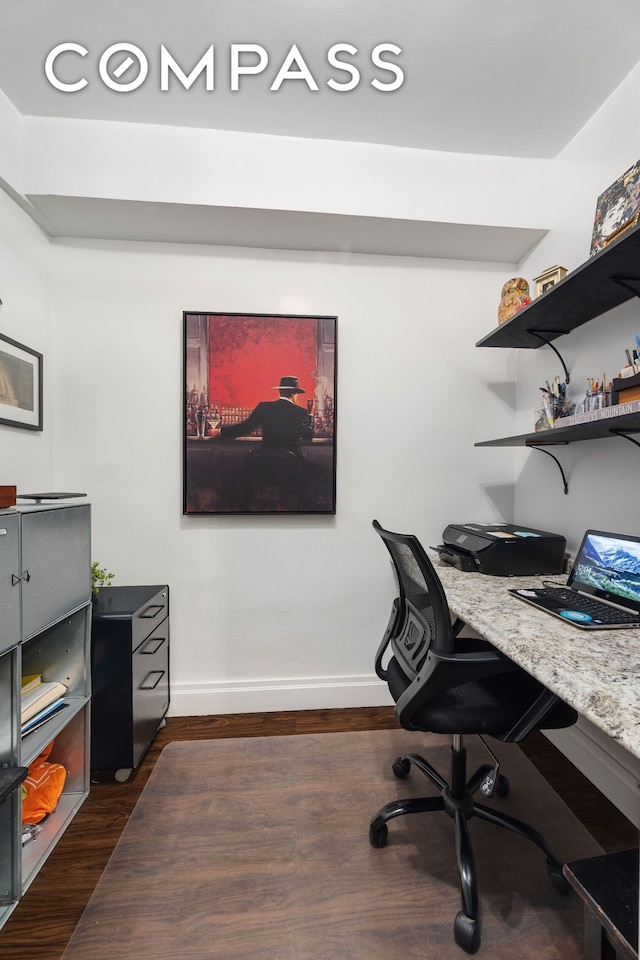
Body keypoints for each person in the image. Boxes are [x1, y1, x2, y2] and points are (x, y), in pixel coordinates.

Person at [217, 376, 313, 453]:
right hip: (290, 463)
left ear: (280, 391)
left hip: (266, 462)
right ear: (292, 393)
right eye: (297, 394)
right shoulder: (301, 412)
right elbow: (308, 435)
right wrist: (311, 414)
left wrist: (220, 432)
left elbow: (244, 428)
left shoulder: (263, 407)